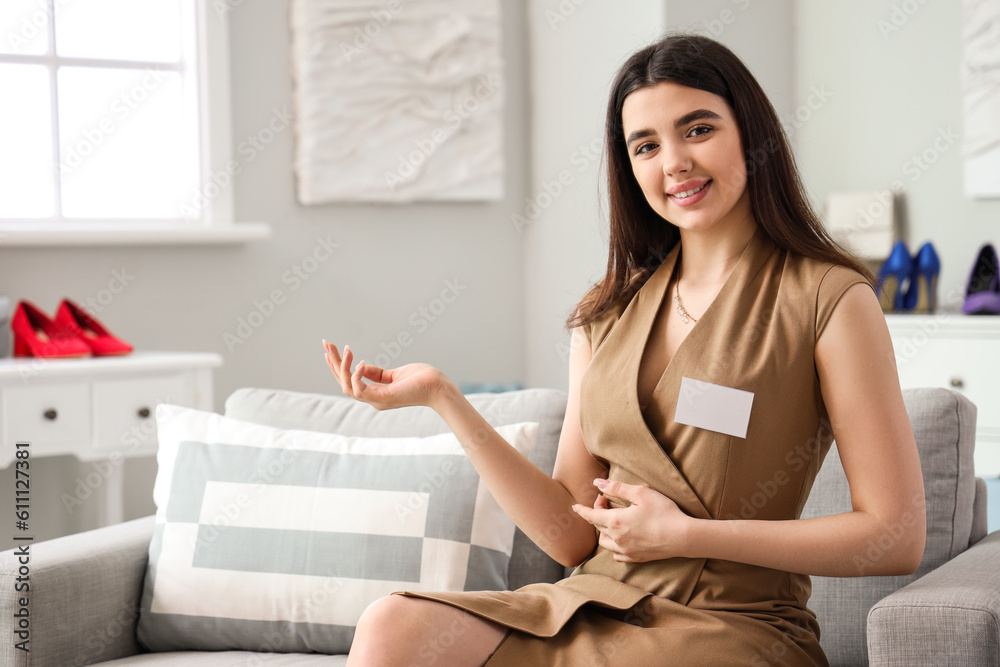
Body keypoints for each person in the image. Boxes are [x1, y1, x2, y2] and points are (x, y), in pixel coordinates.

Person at [324, 33, 926, 667]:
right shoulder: (606, 311)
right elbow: (570, 534)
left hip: (728, 627)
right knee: (392, 624)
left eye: (697, 129)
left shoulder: (829, 298)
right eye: (646, 146)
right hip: (591, 605)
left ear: (751, 132)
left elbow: (895, 535)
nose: (674, 162)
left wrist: (689, 536)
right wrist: (446, 401)